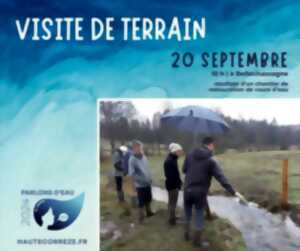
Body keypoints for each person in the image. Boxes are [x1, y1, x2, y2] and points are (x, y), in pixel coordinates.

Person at [183, 137, 247, 247]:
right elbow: (221, 178)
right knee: (199, 216)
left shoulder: (190, 155)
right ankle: (197, 241)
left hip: (187, 189)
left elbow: (184, 169)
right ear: (210, 145)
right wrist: (234, 192)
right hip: (199, 192)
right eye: (213, 146)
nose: (214, 148)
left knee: (187, 213)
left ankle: (186, 234)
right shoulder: (210, 160)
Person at [128, 140, 154, 223]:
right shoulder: (132, 159)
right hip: (139, 185)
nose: (139, 149)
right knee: (141, 203)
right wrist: (133, 187)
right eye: (136, 147)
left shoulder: (144, 157)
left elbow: (147, 168)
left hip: (147, 183)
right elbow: (131, 174)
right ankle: (141, 218)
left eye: (140, 147)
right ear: (133, 149)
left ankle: (149, 212)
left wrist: (150, 177)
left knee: (148, 199)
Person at [163, 143, 183, 225]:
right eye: (179, 151)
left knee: (172, 202)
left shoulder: (173, 159)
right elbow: (171, 176)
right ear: (174, 151)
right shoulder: (169, 161)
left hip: (173, 184)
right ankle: (172, 220)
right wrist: (178, 183)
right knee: (172, 203)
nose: (180, 152)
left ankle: (172, 216)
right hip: (172, 185)